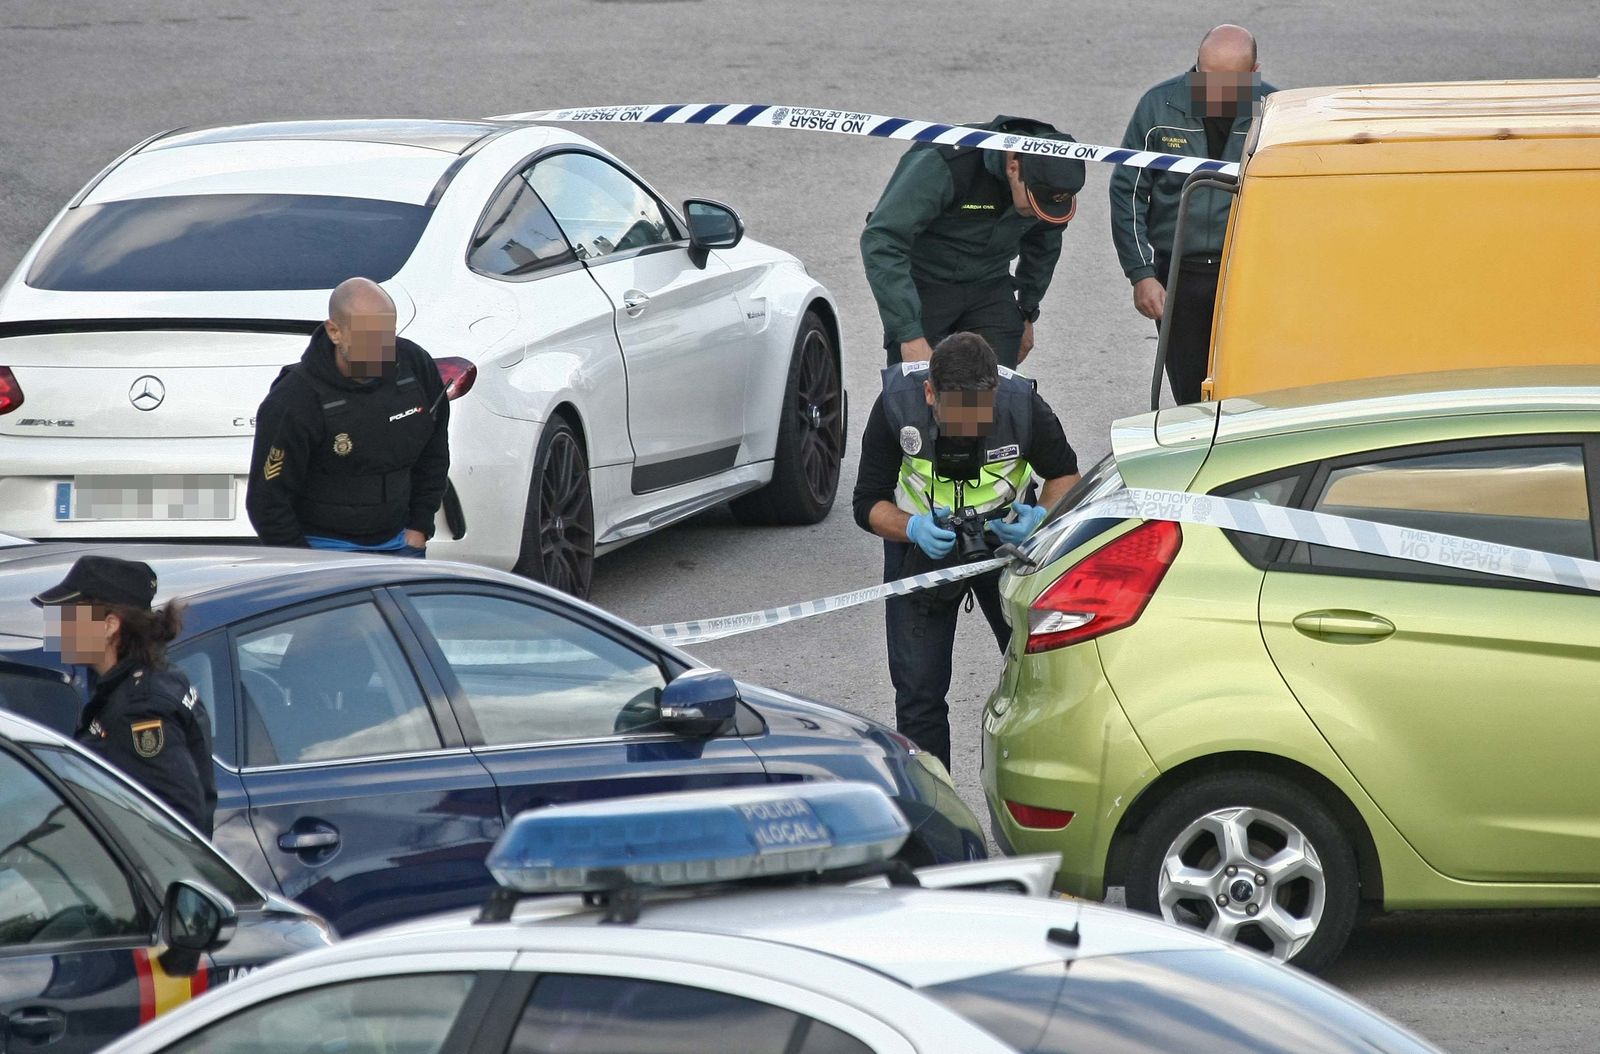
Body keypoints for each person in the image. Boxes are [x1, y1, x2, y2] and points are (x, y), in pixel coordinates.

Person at [853, 332, 1081, 772]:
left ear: (994, 391)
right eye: (955, 418)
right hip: (922, 551)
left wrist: (1039, 517)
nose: (967, 430)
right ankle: (936, 812)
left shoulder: (1022, 405)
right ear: (928, 392)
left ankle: (1037, 795)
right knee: (918, 695)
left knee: (1038, 682)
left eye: (979, 418)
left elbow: (1065, 477)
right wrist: (913, 527)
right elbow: (867, 503)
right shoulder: (895, 406)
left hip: (1007, 548)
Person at [1110, 24, 1275, 404]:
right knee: (1190, 395)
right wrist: (1141, 275)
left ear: (1254, 74)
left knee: (1246, 393)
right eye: (1205, 78)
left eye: (1229, 84)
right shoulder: (1157, 106)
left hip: (1247, 276)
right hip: (1178, 276)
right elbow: (1127, 191)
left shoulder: (1276, 113)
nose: (1214, 93)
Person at [246, 277, 450, 556]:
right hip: (324, 548)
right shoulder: (295, 399)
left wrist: (419, 527)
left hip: (402, 541)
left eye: (386, 333)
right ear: (335, 331)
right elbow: (267, 501)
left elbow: (434, 452)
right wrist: (303, 564)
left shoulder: (414, 366)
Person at [861, 117, 1085, 370]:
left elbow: (1044, 244)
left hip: (990, 284)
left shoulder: (1054, 177)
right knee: (915, 394)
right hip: (925, 284)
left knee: (995, 392)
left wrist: (1026, 310)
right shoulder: (945, 162)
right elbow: (882, 239)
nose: (1039, 213)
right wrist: (909, 333)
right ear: (1013, 167)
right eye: (1035, 204)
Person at [33, 555, 216, 835]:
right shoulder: (146, 678)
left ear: (109, 625)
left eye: (68, 616)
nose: (58, 628)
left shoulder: (141, 707)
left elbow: (180, 823)